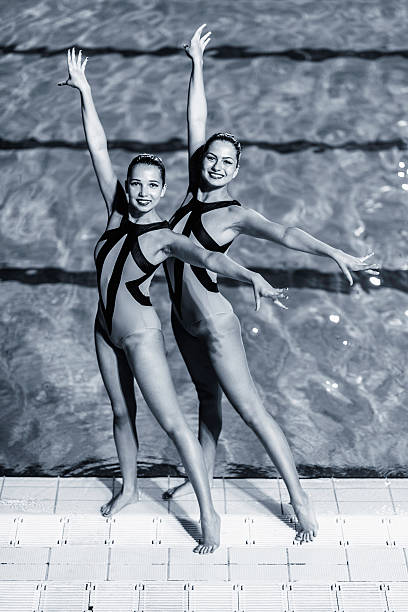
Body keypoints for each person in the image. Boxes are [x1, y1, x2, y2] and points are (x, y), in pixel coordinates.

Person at [58, 48, 283, 554]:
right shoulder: (116, 215)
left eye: (150, 186)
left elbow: (208, 258)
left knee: (172, 422)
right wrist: (86, 91)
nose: (139, 192)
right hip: (103, 327)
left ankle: (209, 514)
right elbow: (98, 149)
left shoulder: (163, 235)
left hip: (139, 333)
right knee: (120, 412)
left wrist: (248, 274)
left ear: (162, 191)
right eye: (134, 184)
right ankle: (132, 488)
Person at [163, 25, 380, 543]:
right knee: (207, 408)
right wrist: (196, 63)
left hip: (215, 326)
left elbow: (284, 232)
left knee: (253, 413)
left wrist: (332, 251)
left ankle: (300, 500)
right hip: (182, 322)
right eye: (210, 158)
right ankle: (204, 492)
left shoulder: (235, 213)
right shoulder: (194, 189)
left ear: (237, 170)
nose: (215, 165)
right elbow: (196, 120)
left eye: (225, 162)